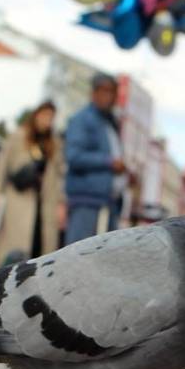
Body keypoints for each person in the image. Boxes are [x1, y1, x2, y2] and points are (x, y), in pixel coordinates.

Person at [0, 101, 65, 271]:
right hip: (18, 201)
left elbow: (58, 176)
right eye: (44, 115)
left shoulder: (54, 143)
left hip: (43, 204)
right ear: (36, 115)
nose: (46, 121)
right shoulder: (19, 136)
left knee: (40, 249)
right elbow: (1, 166)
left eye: (50, 117)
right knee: (10, 248)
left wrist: (61, 203)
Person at [64, 73, 127, 244]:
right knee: (80, 259)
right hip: (88, 202)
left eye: (112, 92)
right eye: (104, 91)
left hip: (108, 204)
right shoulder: (82, 120)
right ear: (93, 93)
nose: (109, 96)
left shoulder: (110, 123)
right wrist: (109, 162)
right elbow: (74, 156)